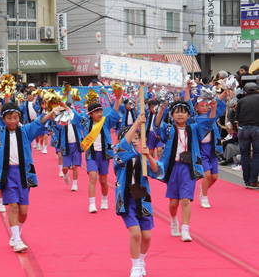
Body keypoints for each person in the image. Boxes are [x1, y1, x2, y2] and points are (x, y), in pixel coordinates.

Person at [0, 101, 59, 253]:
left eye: (15, 117)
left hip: (23, 174)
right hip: (6, 174)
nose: (12, 121)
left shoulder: (25, 131)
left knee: (23, 212)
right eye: (9, 118)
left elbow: (38, 123)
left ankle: (17, 232)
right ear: (4, 119)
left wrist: (51, 113)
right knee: (13, 206)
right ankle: (16, 240)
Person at [155, 101, 216, 242]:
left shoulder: (194, 129)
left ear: (189, 115)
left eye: (183, 112)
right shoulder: (169, 129)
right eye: (177, 112)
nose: (180, 114)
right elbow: (158, 127)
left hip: (188, 168)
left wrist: (212, 109)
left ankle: (185, 229)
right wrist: (161, 110)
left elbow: (208, 124)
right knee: (173, 203)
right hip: (173, 168)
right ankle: (174, 219)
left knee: (186, 200)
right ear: (172, 115)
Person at [114, 115, 163, 277]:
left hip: (143, 199)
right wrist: (137, 123)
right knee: (135, 233)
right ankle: (135, 266)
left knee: (147, 236)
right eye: (132, 138)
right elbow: (123, 146)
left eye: (137, 137)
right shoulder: (120, 155)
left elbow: (157, 171)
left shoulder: (143, 156)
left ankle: (141, 260)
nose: (135, 140)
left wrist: (148, 155)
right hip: (126, 199)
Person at [75, 89, 123, 213]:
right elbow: (74, 114)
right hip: (91, 155)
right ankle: (91, 204)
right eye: (96, 112)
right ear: (90, 114)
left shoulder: (105, 121)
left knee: (103, 180)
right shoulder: (85, 123)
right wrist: (64, 104)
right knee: (92, 177)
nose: (100, 113)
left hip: (104, 155)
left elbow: (115, 111)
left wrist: (117, 98)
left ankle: (104, 199)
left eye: (101, 110)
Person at [193, 91, 227, 208]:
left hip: (212, 149)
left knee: (214, 177)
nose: (205, 107)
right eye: (202, 106)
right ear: (196, 108)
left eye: (206, 105)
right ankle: (205, 197)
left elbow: (217, 106)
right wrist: (213, 109)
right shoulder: (197, 119)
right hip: (201, 150)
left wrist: (224, 92)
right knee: (207, 175)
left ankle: (203, 190)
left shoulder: (211, 114)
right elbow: (209, 120)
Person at [235, 82, 259, 189]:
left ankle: (246, 180)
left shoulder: (241, 101)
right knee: (257, 155)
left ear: (245, 91)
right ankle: (253, 181)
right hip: (256, 128)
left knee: (244, 154)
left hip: (243, 129)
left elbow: (237, 118)